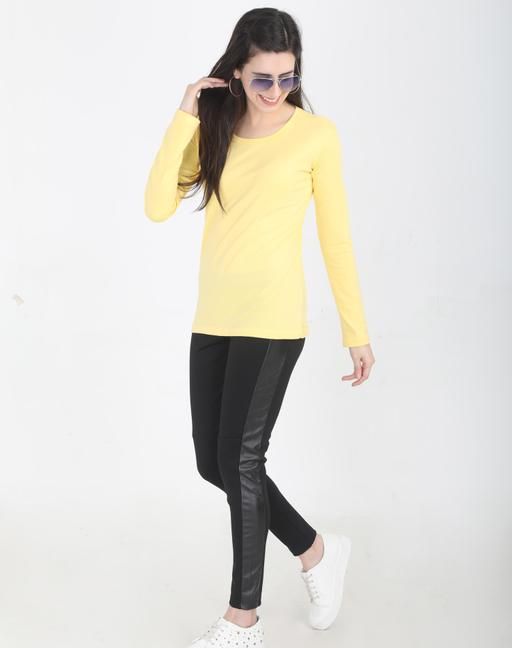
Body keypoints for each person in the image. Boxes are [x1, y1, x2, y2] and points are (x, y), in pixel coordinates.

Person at [144, 8, 375, 647]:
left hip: (273, 321)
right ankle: (316, 550)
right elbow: (157, 205)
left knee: (242, 461)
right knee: (213, 462)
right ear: (237, 73)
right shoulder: (216, 126)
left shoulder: (315, 136)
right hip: (214, 317)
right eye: (263, 79)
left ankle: (243, 618)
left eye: (287, 78)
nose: (276, 92)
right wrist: (186, 113)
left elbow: (336, 238)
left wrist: (355, 330)